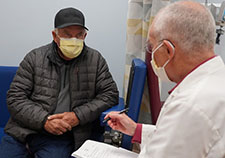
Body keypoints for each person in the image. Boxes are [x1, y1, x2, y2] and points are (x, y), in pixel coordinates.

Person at [105, 1, 225, 158]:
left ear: (168, 49)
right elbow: (181, 138)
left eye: (152, 47)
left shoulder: (189, 105)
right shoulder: (216, 77)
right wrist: (137, 130)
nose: (152, 54)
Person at [0, 7, 119, 158]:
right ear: (55, 36)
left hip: (60, 136)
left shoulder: (95, 60)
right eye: (67, 35)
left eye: (79, 35)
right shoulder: (34, 57)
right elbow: (15, 98)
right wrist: (44, 121)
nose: (73, 40)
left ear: (85, 36)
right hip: (23, 130)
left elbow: (110, 95)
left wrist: (77, 116)